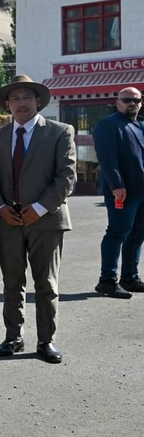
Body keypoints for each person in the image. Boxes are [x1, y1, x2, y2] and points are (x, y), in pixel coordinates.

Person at [0, 75, 76, 364]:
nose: (21, 103)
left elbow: (67, 176)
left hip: (46, 220)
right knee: (12, 282)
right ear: (7, 105)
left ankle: (46, 340)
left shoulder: (60, 132)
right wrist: (0, 208)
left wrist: (39, 207)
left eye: (26, 97)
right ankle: (13, 337)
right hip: (7, 221)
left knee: (46, 284)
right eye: (15, 98)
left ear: (38, 101)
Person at [92, 86, 144, 299]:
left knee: (138, 234)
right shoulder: (108, 124)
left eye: (136, 100)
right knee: (117, 233)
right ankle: (107, 281)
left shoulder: (140, 124)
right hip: (123, 192)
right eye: (127, 100)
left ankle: (129, 277)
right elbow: (107, 159)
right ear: (117, 102)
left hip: (141, 191)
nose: (132, 103)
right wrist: (116, 185)